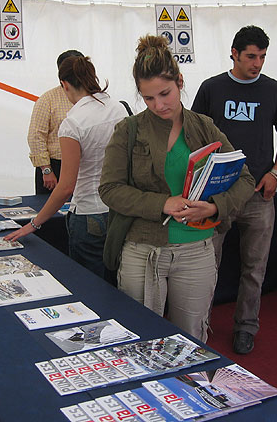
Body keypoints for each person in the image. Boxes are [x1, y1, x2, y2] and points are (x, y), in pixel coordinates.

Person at [99, 35, 255, 343]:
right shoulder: (128, 130)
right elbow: (110, 189)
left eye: (165, 93)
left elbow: (246, 179)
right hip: (142, 251)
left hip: (197, 251)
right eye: (148, 98)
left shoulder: (204, 126)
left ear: (180, 82)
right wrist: (162, 203)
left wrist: (215, 207)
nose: (159, 105)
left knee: (192, 343)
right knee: (140, 341)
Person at [191, 25, 277, 354]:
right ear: (234, 54)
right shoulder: (211, 88)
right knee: (207, 265)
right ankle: (199, 326)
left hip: (258, 197)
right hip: (218, 196)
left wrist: (276, 173)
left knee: (255, 267)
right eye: (251, 56)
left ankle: (246, 326)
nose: (257, 63)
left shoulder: (274, 90)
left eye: (262, 56)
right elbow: (194, 138)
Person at [6, 56, 128, 278]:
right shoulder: (118, 109)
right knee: (116, 282)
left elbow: (66, 187)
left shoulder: (73, 123)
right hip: (119, 209)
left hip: (89, 212)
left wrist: (34, 223)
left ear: (65, 84)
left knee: (90, 285)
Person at [28, 49, 84, 194]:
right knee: (52, 212)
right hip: (55, 168)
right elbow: (36, 137)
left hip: (86, 166)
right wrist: (46, 170)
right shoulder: (48, 100)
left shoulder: (95, 97)